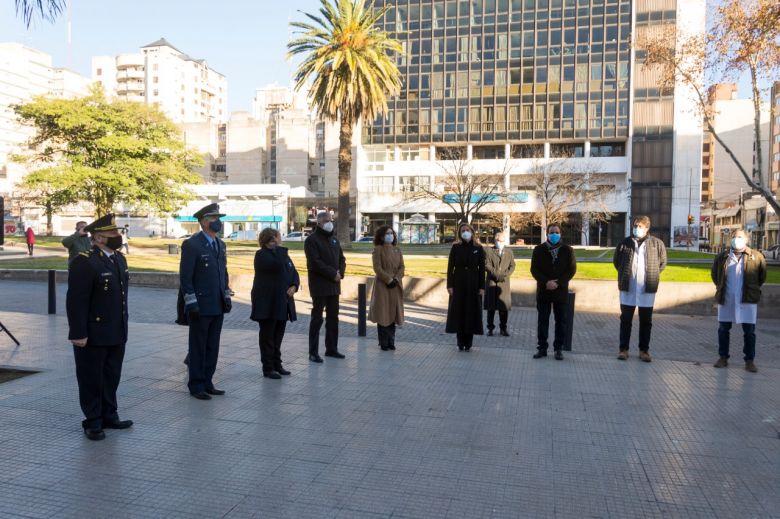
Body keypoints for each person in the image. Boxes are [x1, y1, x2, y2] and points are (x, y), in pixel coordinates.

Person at [65, 214, 132, 441]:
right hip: (93, 333)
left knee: (112, 375)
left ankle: (109, 415)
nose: (118, 236)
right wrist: (78, 333)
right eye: (113, 234)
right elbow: (76, 300)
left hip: (116, 330)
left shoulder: (118, 259)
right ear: (100, 238)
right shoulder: (84, 261)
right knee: (91, 378)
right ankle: (92, 421)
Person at [179, 203, 231, 400]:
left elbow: (222, 273)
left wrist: (226, 294)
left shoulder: (220, 244)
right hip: (200, 305)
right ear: (202, 222)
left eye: (219, 218)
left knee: (213, 346)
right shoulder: (192, 244)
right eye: (213, 218)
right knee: (198, 346)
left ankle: (208, 381)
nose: (217, 221)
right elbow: (185, 277)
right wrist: (191, 303)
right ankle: (196, 384)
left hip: (217, 304)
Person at [612, 215, 667, 363]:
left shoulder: (657, 244)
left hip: (646, 288)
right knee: (625, 319)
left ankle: (644, 351)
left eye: (640, 226)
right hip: (627, 287)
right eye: (635, 226)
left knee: (646, 321)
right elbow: (617, 262)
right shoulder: (625, 243)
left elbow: (662, 263)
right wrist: (626, 274)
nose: (636, 228)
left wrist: (652, 275)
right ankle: (623, 349)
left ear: (647, 228)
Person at [711, 229, 766, 372]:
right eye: (734, 237)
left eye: (740, 237)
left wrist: (752, 289)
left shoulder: (756, 257)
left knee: (749, 331)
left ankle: (749, 360)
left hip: (747, 299)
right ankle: (723, 357)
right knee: (723, 329)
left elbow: (762, 277)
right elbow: (715, 275)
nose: (737, 239)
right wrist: (722, 288)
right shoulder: (723, 257)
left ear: (746, 240)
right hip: (727, 298)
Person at [250, 228, 300, 379]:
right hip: (267, 302)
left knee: (278, 336)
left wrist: (294, 285)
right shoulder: (261, 255)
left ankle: (277, 364)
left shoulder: (282, 255)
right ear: (268, 241)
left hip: (282, 302)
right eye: (276, 239)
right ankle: (268, 367)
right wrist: (280, 248)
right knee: (268, 337)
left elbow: (293, 272)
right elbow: (277, 265)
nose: (279, 241)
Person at [304, 211, 347, 362]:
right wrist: (332, 274)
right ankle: (313, 352)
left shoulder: (334, 240)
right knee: (317, 319)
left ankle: (332, 349)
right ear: (319, 222)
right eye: (326, 220)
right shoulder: (311, 240)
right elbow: (315, 263)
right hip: (320, 285)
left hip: (334, 285)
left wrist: (340, 273)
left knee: (333, 318)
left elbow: (342, 258)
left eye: (331, 220)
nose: (330, 223)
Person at [530, 225, 577, 360]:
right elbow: (534, 269)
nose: (554, 235)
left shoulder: (568, 250)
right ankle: (542, 348)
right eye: (552, 233)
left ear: (560, 234)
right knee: (542, 321)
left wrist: (558, 283)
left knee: (561, 321)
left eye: (557, 232)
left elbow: (571, 270)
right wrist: (546, 282)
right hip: (544, 291)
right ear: (547, 234)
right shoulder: (539, 250)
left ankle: (558, 349)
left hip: (560, 291)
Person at [445, 223, 486, 351]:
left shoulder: (478, 248)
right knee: (459, 312)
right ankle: (460, 341)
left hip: (473, 285)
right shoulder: (456, 247)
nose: (465, 232)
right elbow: (450, 267)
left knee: (471, 312)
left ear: (472, 232)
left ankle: (469, 342)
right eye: (463, 231)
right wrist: (450, 285)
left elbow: (482, 269)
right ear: (460, 233)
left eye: (467, 230)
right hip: (458, 284)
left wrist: (482, 287)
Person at [368, 226, 405, 351]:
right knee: (383, 312)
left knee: (393, 313)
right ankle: (383, 342)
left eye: (392, 233)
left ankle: (391, 341)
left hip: (395, 285)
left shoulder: (397, 250)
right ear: (382, 236)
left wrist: (396, 279)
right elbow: (377, 268)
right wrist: (388, 280)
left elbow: (402, 267)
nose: (390, 235)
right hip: (383, 285)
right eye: (387, 234)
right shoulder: (378, 249)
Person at [484, 232, 516, 337]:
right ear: (495, 240)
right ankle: (490, 328)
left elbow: (512, 266)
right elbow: (486, 264)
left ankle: (503, 328)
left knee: (503, 308)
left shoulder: (509, 252)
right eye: (498, 240)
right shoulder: (489, 251)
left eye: (501, 241)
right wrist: (496, 274)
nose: (500, 242)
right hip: (492, 282)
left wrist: (504, 275)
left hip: (504, 283)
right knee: (491, 308)